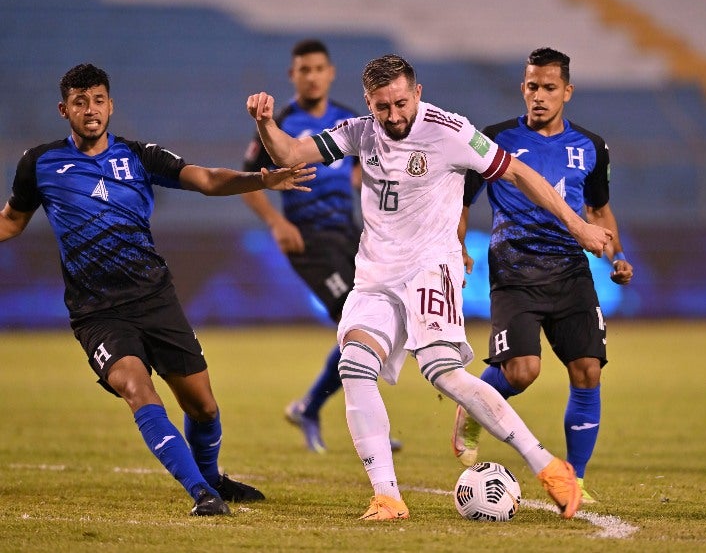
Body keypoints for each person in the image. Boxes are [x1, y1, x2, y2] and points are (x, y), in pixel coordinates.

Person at [246, 54, 613, 521]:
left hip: (429, 268)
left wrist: (579, 227)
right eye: (383, 107)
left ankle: (546, 465)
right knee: (355, 365)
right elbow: (291, 155)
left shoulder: (450, 131)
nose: (394, 116)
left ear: (416, 93)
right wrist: (264, 124)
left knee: (444, 374)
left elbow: (520, 174)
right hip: (376, 275)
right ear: (369, 103)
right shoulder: (361, 131)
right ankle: (387, 497)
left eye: (401, 103)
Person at [0, 63, 315, 516]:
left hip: (155, 299)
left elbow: (205, 180)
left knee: (203, 408)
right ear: (63, 109)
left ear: (111, 105)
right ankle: (201, 493)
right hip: (98, 313)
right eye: (80, 102)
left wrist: (260, 180)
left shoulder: (138, 156)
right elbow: (11, 221)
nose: (90, 110)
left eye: (98, 100)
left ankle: (212, 479)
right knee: (137, 389)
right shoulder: (40, 163)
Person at [452, 47, 634, 505]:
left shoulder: (591, 146)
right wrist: (457, 246)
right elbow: (461, 200)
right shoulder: (495, 140)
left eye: (549, 87)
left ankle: (577, 479)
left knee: (588, 371)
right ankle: (472, 408)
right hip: (514, 270)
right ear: (523, 88)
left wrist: (617, 255)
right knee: (522, 370)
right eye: (532, 86)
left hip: (571, 272)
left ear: (567, 92)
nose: (539, 96)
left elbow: (597, 208)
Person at [241, 39, 401, 454]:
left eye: (318, 69)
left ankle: (311, 407)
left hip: (349, 235)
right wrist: (277, 222)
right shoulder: (281, 122)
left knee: (373, 327)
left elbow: (366, 168)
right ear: (293, 76)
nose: (311, 76)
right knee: (358, 328)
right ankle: (347, 421)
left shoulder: (349, 119)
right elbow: (249, 180)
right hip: (308, 239)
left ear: (330, 73)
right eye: (303, 70)